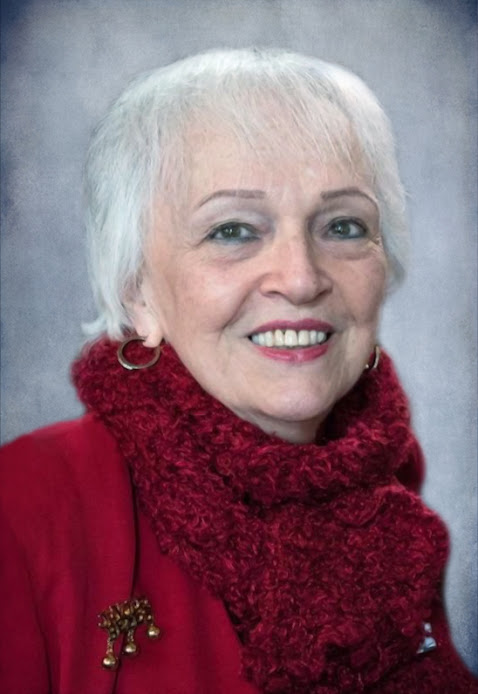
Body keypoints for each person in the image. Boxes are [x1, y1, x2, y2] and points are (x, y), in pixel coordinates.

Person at [0, 48, 476, 694]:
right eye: (233, 231)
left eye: (343, 225)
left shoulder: (389, 507)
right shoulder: (24, 507)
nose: (301, 279)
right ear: (138, 292)